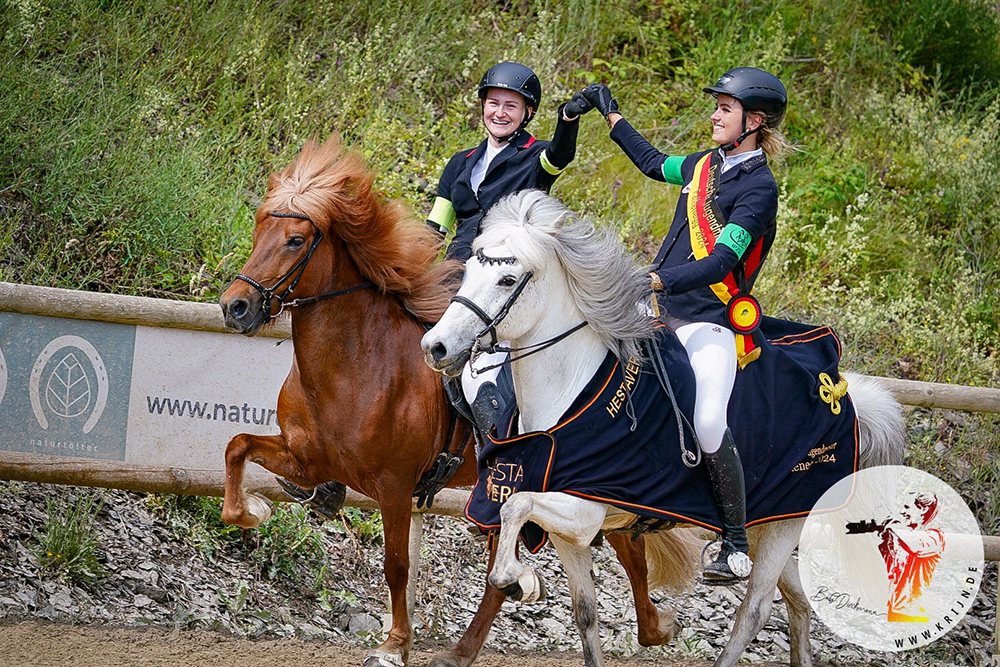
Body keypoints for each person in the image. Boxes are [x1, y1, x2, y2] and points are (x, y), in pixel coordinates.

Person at [580, 67, 789, 583]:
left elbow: (721, 262)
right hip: (656, 312)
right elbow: (652, 164)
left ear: (754, 121)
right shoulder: (702, 167)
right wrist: (611, 112)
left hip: (710, 320)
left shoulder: (759, 188)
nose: (714, 115)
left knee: (711, 422)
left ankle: (734, 543)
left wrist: (654, 280)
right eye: (715, 106)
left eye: (725, 108)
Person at [427, 62, 593, 434]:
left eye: (511, 106)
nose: (500, 113)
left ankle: (502, 453)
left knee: (478, 376)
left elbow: (560, 156)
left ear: (526, 113)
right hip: (456, 275)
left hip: (503, 283)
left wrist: (567, 119)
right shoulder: (460, 163)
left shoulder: (536, 158)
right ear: (483, 105)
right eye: (494, 103)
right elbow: (436, 227)